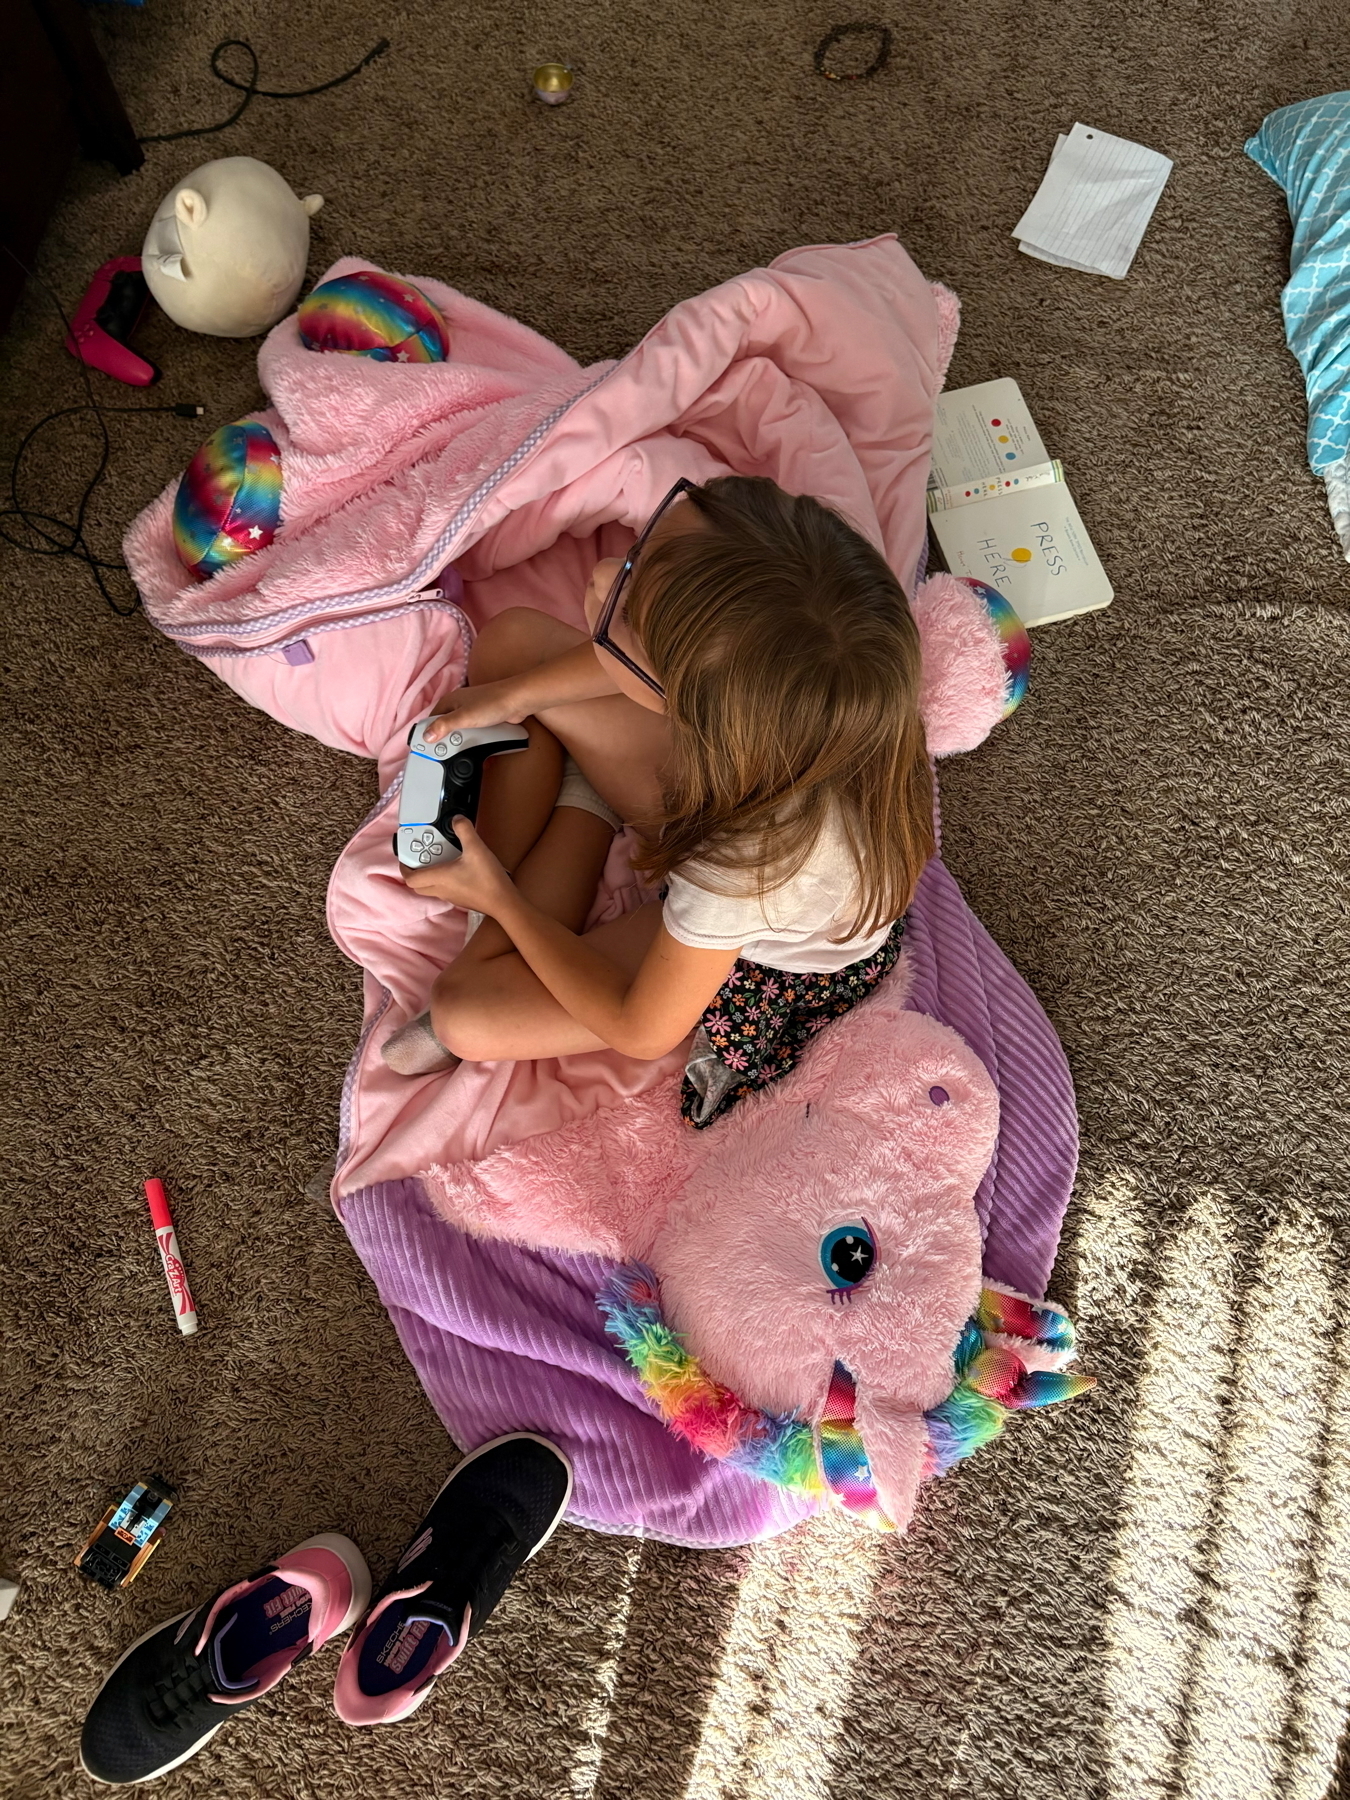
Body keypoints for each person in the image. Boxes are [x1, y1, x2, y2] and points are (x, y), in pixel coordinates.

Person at [382, 475, 935, 1128]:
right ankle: (572, 808)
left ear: (692, 705)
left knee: (465, 1014)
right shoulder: (818, 686)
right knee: (511, 653)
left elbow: (639, 1028)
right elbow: (644, 671)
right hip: (730, 778)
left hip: (748, 943)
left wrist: (498, 899)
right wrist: (515, 695)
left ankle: (578, 811)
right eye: (638, 557)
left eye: (629, 606)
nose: (606, 573)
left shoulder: (745, 866)